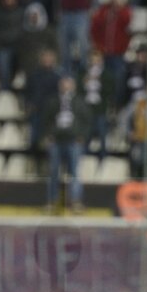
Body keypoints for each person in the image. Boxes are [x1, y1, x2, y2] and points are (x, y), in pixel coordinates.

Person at [42, 75, 91, 213]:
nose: (66, 87)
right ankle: (52, 202)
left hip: (74, 141)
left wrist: (82, 136)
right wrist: (49, 135)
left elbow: (87, 120)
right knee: (53, 172)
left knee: (74, 172)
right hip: (56, 141)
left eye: (68, 84)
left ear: (73, 86)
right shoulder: (53, 101)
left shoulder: (80, 102)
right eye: (63, 84)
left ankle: (75, 202)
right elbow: (46, 119)